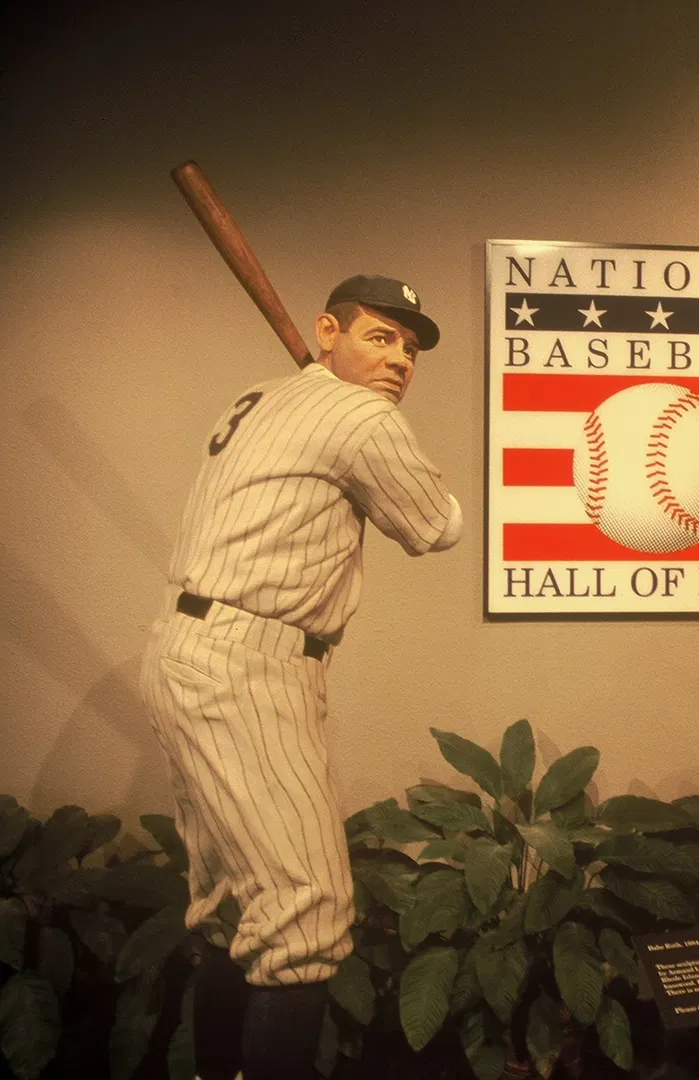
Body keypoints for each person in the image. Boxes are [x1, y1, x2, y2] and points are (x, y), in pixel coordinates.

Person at [139, 275, 462, 1080]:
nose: (399, 360)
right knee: (307, 918)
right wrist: (367, 424)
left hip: (188, 648)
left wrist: (340, 404)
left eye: (410, 349)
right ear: (327, 330)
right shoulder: (358, 415)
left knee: (235, 907)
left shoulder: (260, 395)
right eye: (379, 337)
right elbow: (436, 525)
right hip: (248, 663)